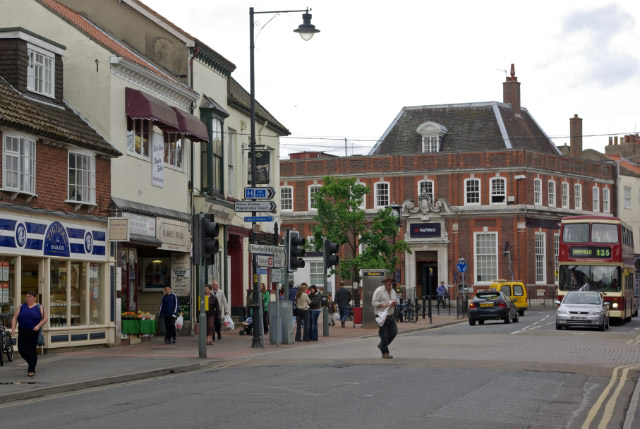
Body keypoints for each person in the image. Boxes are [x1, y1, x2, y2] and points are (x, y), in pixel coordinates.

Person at [11, 291, 46, 377]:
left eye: (30, 297)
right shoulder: (21, 306)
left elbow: (45, 318)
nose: (28, 299)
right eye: (27, 297)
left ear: (35, 298)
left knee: (31, 350)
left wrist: (38, 325)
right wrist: (13, 329)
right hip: (22, 330)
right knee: (21, 350)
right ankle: (31, 363)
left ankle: (31, 369)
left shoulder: (39, 306)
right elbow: (15, 318)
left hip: (33, 331)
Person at [372, 275, 398, 359]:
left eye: (390, 281)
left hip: (390, 314)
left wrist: (395, 303)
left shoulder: (393, 291)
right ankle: (385, 352)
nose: (389, 283)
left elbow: (396, 301)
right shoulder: (379, 290)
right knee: (385, 335)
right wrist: (384, 305)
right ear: (384, 282)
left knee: (394, 332)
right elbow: (374, 303)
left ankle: (382, 344)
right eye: (388, 281)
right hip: (381, 315)